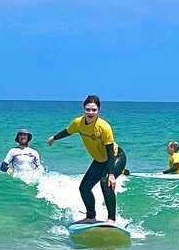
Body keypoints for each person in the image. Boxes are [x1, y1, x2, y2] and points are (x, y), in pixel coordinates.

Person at [47, 95, 126, 224]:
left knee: (106, 182)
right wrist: (54, 138)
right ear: (84, 109)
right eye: (88, 109)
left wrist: (111, 173)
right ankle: (90, 217)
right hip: (100, 160)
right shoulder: (78, 123)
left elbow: (110, 152)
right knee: (84, 188)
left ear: (98, 110)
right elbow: (67, 131)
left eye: (94, 110)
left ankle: (111, 218)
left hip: (116, 157)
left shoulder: (104, 127)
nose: (90, 112)